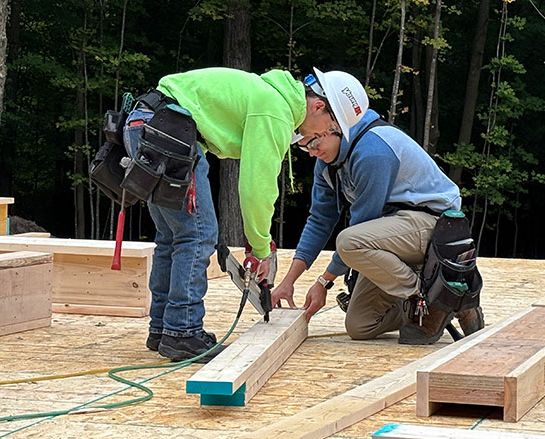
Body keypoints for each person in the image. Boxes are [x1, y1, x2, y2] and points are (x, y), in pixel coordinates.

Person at [122, 67, 368, 362]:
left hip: (147, 122)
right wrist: (260, 248)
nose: (323, 135)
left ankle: (164, 329)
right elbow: (256, 187)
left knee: (173, 236)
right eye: (330, 127)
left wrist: (257, 243)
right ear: (318, 106)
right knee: (197, 235)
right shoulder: (275, 110)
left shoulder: (268, 96)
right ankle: (182, 333)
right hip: (169, 130)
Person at [271, 107, 484, 345]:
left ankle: (434, 299)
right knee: (360, 325)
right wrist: (287, 282)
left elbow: (362, 223)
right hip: (392, 234)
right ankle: (453, 302)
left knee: (348, 242)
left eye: (312, 143)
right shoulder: (326, 165)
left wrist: (323, 282)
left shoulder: (373, 150)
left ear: (335, 128)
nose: (311, 153)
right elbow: (320, 220)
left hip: (433, 226)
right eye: (304, 147)